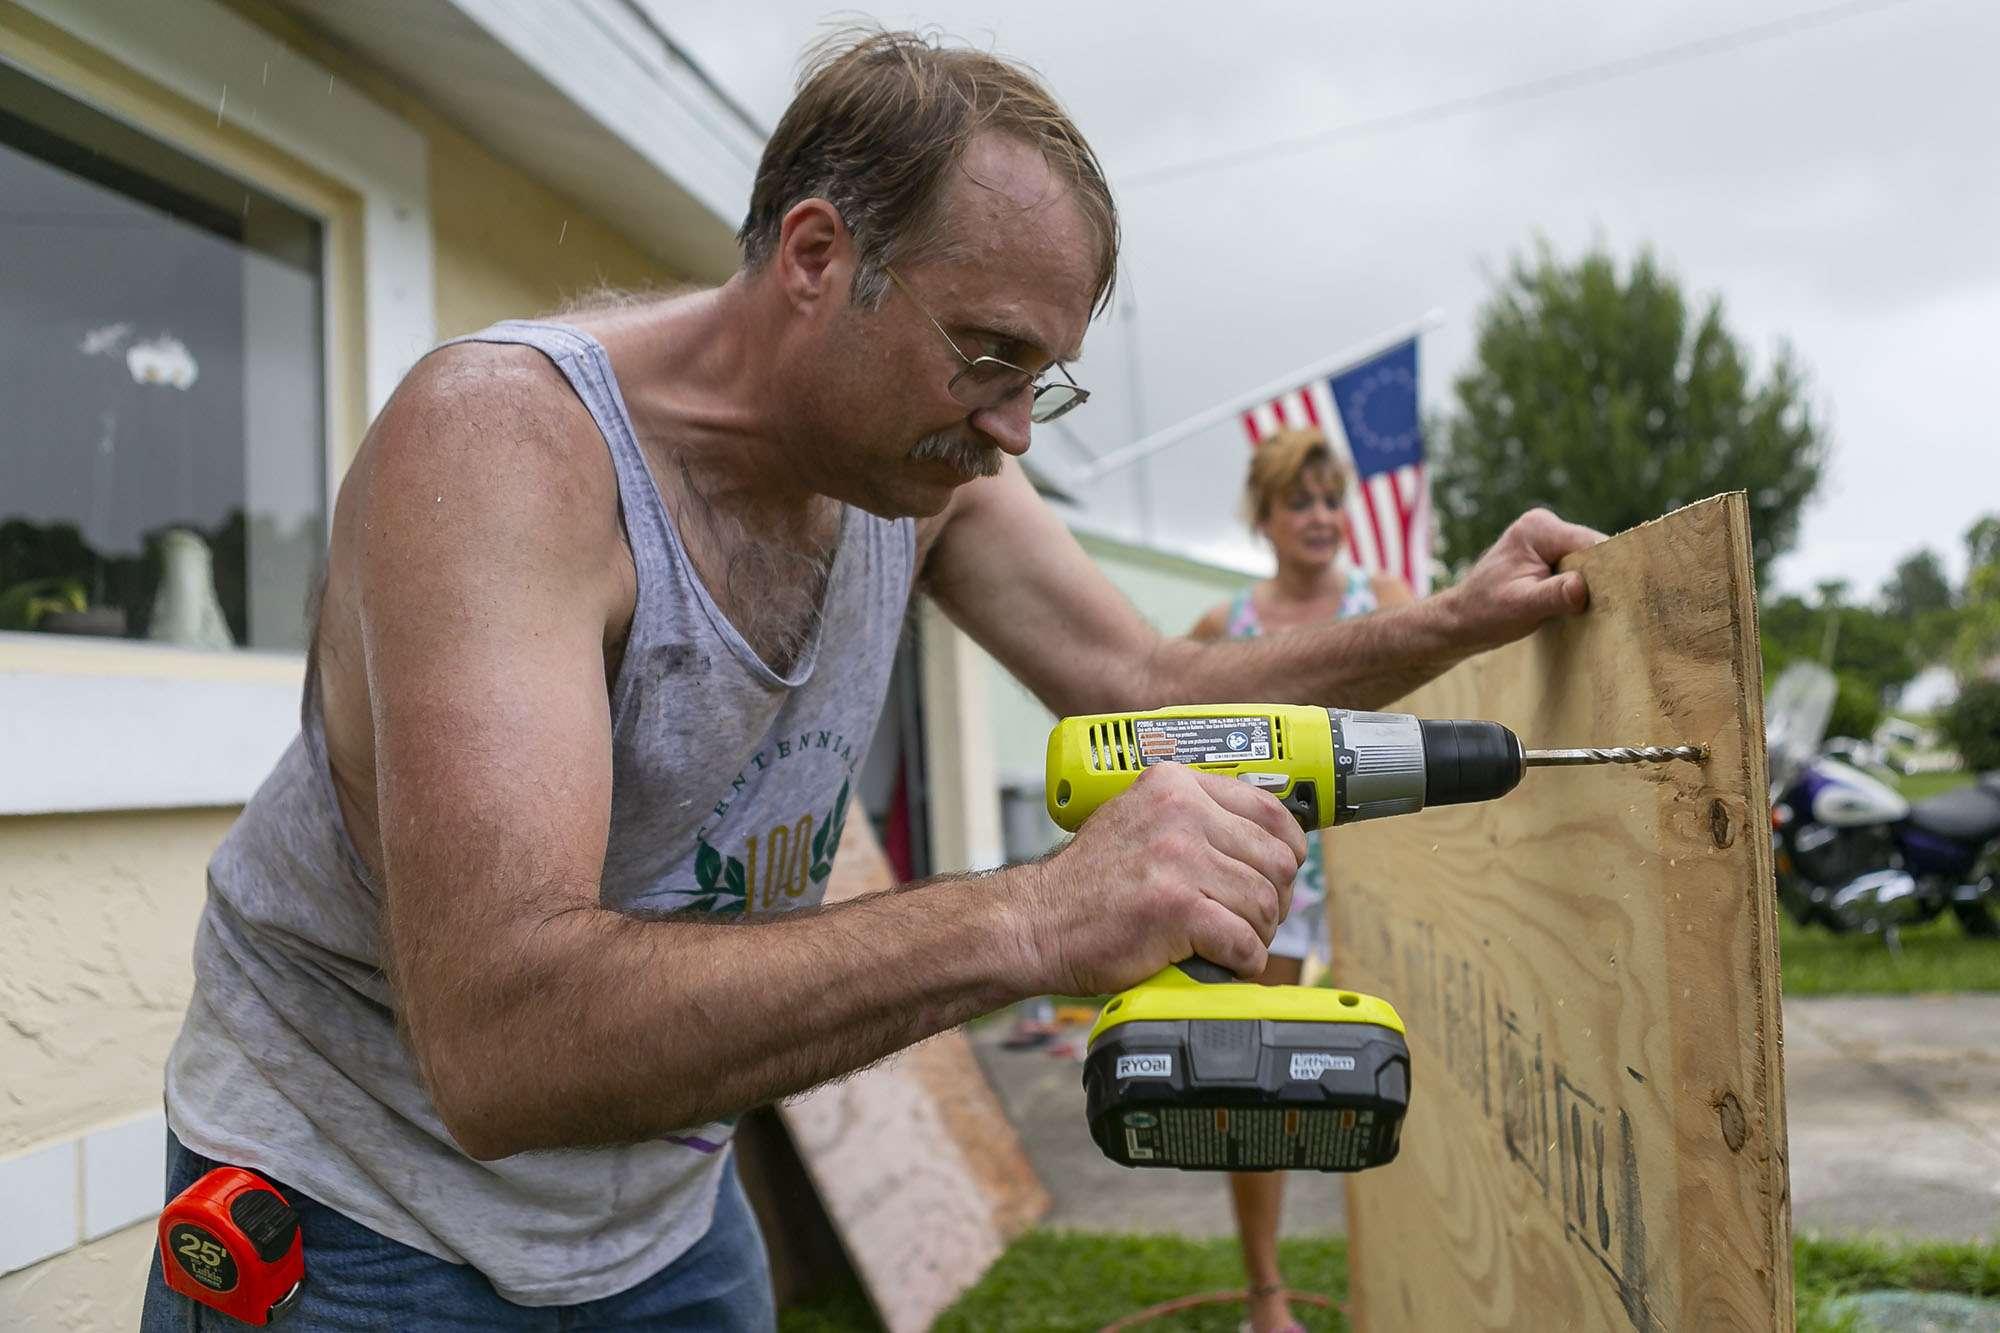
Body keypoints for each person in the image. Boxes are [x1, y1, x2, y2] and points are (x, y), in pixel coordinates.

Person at [142, 28, 1602, 1330]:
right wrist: (1035, 912)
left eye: (1043, 379)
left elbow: (1144, 678)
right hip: (361, 1222)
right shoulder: (509, 454)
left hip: (664, 1210)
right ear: (816, 256)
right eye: (989, 356)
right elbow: (504, 1043)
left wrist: (1451, 622)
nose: (1014, 430)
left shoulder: (918, 473)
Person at [1191, 427, 1412, 1333]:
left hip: (1376, 875)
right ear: (1264, 516)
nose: (1320, 517)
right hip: (1269, 880)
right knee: (1257, 1081)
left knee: (1393, 1068)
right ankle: (1265, 1294)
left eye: (1331, 499)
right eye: (1299, 501)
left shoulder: (1383, 600)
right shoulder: (1226, 627)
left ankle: (1405, 1274)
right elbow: (1157, 717)